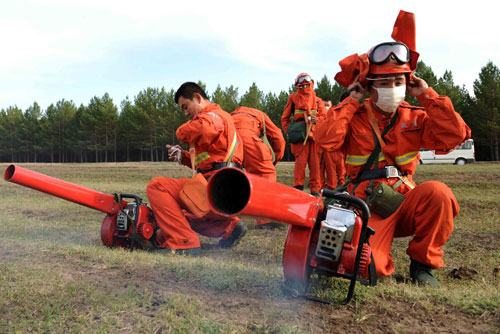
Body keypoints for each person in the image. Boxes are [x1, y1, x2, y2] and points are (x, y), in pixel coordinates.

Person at [316, 10, 471, 286]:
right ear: (369, 87)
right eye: (385, 83)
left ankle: (423, 266)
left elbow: (455, 135)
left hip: (404, 198)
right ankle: (376, 256)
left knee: (439, 194)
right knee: (367, 267)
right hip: (367, 205)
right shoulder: (354, 117)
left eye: (398, 82)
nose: (393, 88)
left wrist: (427, 95)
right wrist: (352, 100)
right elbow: (326, 140)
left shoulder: (414, 115)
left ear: (407, 84)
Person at [146, 82, 248, 255]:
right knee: (177, 217)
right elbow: (212, 159)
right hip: (224, 192)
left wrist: (180, 132)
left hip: (214, 190)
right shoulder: (222, 119)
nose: (186, 113)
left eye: (185, 107)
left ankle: (183, 244)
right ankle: (230, 228)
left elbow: (203, 128)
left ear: (198, 98)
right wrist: (184, 156)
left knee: (157, 186)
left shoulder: (214, 116)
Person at [231, 106, 286, 228]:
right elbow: (278, 138)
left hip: (230, 141)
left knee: (233, 177)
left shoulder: (231, 116)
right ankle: (265, 220)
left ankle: (228, 216)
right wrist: (275, 159)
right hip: (247, 137)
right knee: (266, 173)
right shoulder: (261, 115)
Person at [281, 73, 326, 196]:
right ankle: (298, 189)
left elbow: (325, 117)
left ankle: (315, 190)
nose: (304, 83)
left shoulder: (318, 101)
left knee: (315, 165)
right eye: (301, 81)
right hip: (300, 137)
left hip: (315, 136)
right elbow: (285, 118)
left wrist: (318, 121)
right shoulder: (293, 98)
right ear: (297, 84)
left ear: (311, 83)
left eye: (307, 81)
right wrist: (290, 132)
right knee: (300, 164)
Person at [318, 98, 346, 190]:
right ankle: (330, 190)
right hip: (327, 150)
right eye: (324, 105)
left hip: (338, 148)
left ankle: (343, 189)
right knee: (330, 173)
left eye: (328, 105)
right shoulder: (319, 118)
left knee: (341, 171)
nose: (326, 107)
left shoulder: (336, 116)